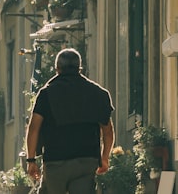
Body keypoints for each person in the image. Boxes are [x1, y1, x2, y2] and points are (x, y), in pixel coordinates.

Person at [25, 48, 114, 194]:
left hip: (56, 160)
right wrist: (105, 158)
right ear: (80, 68)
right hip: (86, 160)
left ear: (57, 69)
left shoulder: (46, 94)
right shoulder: (98, 93)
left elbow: (34, 128)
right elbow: (108, 131)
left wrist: (31, 160)